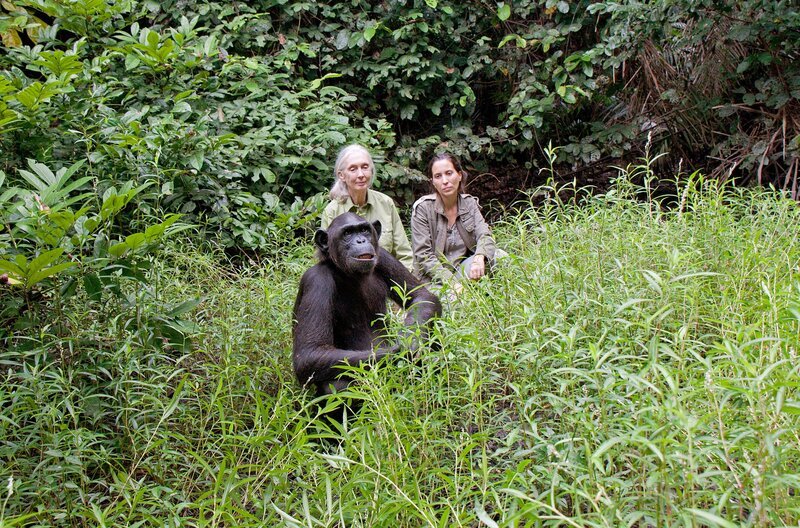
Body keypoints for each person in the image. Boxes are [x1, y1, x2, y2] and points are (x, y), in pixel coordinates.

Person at [411, 152, 498, 291]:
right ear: (433, 182)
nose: (445, 181)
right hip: (432, 279)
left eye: (449, 173)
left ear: (459, 175)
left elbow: (485, 235)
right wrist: (452, 284)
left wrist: (480, 257)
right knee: (453, 303)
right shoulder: (423, 208)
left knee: (501, 257)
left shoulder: (469, 203)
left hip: (461, 270)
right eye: (438, 176)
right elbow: (424, 256)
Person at [321, 144, 414, 272]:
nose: (361, 174)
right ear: (341, 175)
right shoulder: (332, 211)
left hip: (388, 280)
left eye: (365, 167)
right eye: (353, 169)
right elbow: (328, 261)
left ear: (371, 170)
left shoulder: (386, 203)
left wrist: (403, 284)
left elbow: (404, 254)